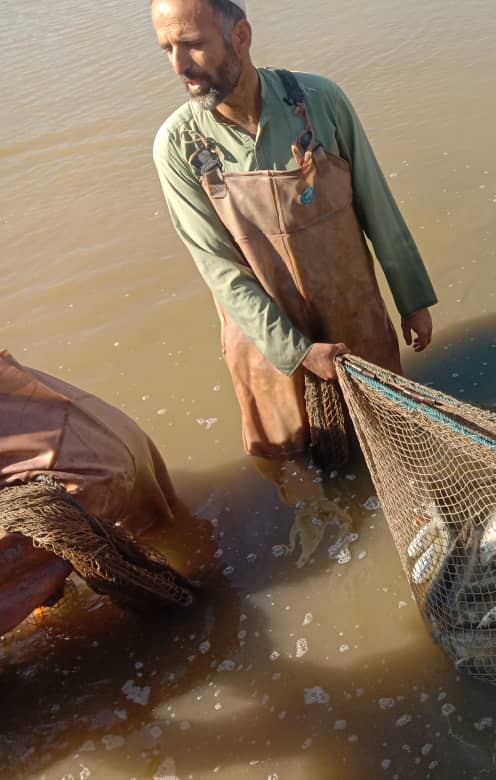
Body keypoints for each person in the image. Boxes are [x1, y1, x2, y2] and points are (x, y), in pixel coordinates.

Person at [151, 0, 437, 458]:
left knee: (390, 445)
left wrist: (413, 298)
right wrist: (298, 353)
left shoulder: (321, 101)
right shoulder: (177, 147)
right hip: (265, 346)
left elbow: (375, 201)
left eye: (192, 44)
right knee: (293, 473)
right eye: (166, 48)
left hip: (353, 320)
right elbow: (221, 271)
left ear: (240, 36)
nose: (179, 65)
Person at [0, 350, 212, 635]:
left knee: (31, 542)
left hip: (82, 480)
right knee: (170, 532)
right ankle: (210, 572)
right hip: (113, 432)